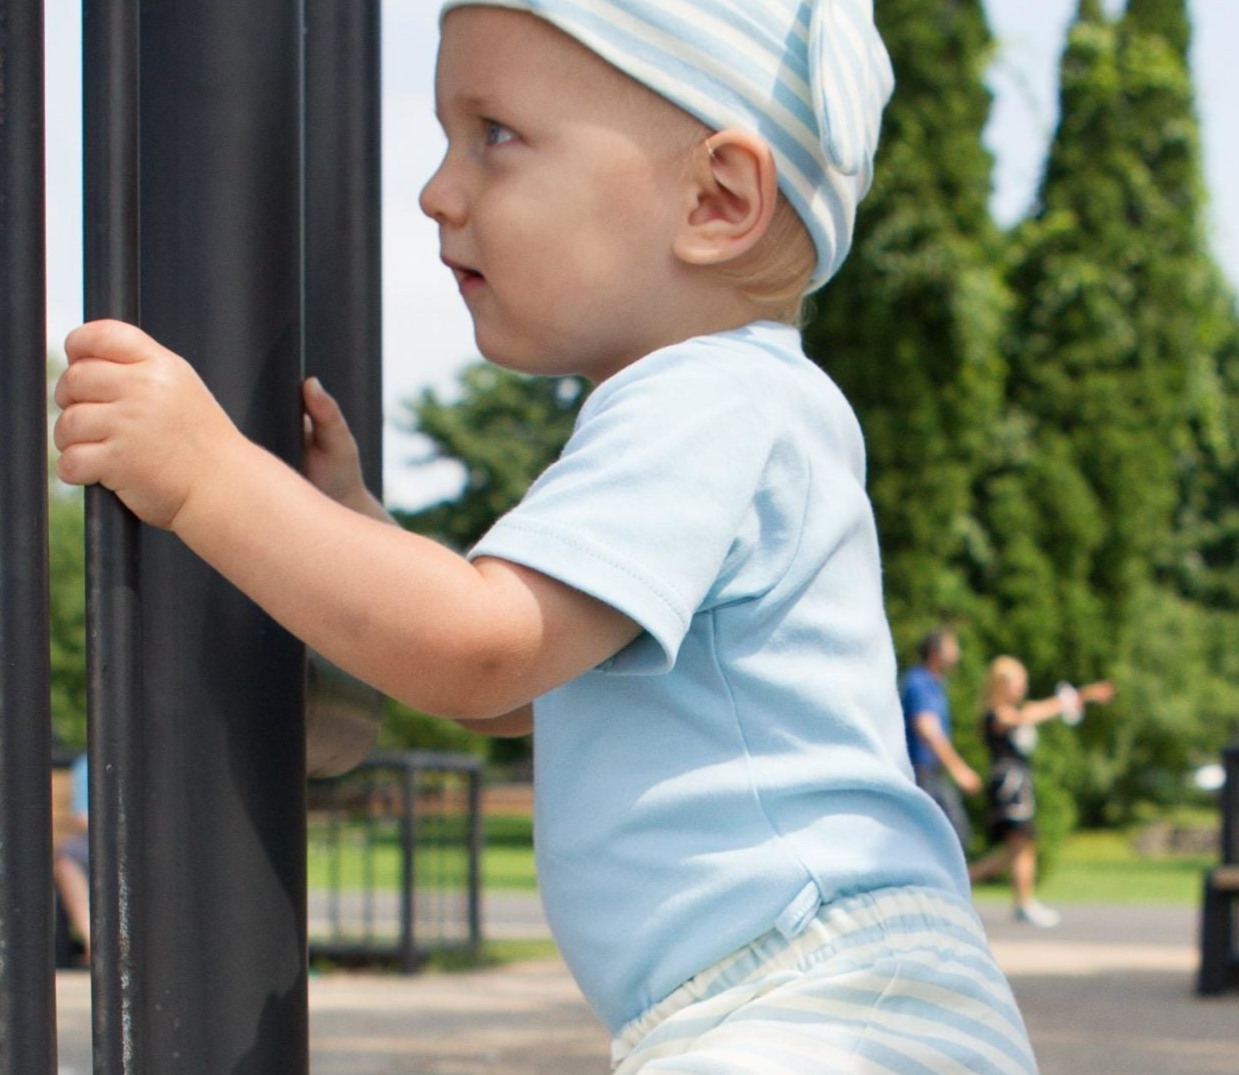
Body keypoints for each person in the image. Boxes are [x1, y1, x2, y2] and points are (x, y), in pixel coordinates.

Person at [52, 2, 1039, 1071]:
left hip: (811, 999)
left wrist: (208, 476)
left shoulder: (702, 399)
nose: (438, 190)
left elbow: (481, 652)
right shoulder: (733, 404)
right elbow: (531, 682)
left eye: (496, 135)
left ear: (716, 199)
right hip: (829, 998)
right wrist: (359, 530)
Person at [968, 656, 1115, 928]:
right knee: (1021, 843)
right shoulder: (997, 713)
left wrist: (1085, 694)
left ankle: (966, 883)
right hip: (1009, 781)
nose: (1022, 687)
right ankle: (1021, 901)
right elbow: (1027, 715)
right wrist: (1065, 702)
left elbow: (1038, 708)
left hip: (1019, 780)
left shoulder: (1013, 709)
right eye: (1016, 682)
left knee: (1019, 847)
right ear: (1000, 684)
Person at [900, 627, 982, 849]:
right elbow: (927, 729)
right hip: (921, 770)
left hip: (933, 770)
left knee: (954, 832)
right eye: (952, 647)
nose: (958, 653)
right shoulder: (920, 682)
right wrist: (959, 769)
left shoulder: (936, 684)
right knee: (940, 833)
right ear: (936, 652)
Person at [54, 753, 91, 963]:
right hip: (96, 841)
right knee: (68, 859)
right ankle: (94, 942)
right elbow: (82, 818)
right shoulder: (88, 763)